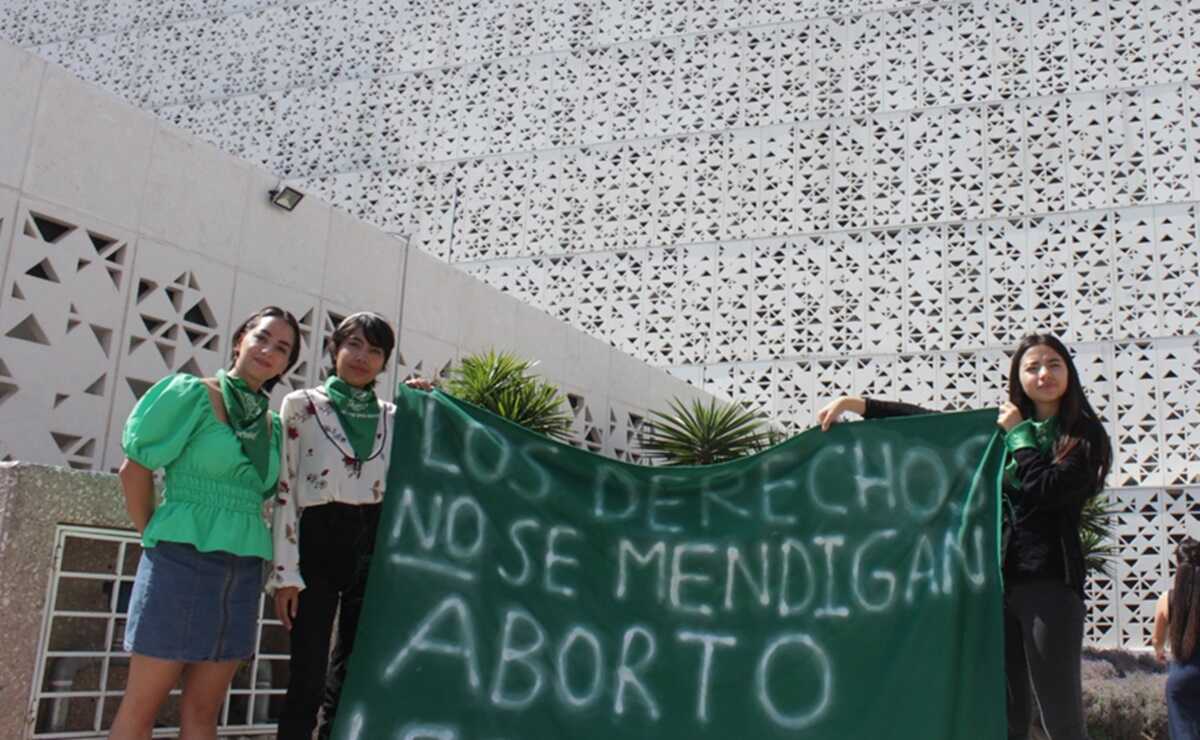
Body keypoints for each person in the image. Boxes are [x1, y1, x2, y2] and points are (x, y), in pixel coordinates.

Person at [817, 333, 1112, 740]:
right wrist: (860, 405)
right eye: (1032, 366)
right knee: (1008, 712)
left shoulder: (1083, 437)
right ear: (1018, 377)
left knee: (1058, 714)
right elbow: (934, 426)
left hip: (1050, 587)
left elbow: (1048, 490)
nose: (1044, 374)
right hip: (996, 586)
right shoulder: (1001, 430)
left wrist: (1019, 437)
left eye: (1054, 364)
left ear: (1069, 373)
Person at [109, 306, 302, 740]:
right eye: (262, 337)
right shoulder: (193, 394)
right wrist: (152, 538)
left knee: (203, 713)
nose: (269, 350)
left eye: (282, 348)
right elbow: (135, 468)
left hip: (242, 571)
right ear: (240, 340)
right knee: (142, 706)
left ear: (287, 365)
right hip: (179, 560)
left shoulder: (272, 426)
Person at [270, 312, 431, 739]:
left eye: (375, 351)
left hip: (372, 539)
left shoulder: (395, 417)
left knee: (354, 667)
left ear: (385, 361)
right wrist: (284, 573)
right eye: (354, 345)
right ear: (334, 349)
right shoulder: (301, 405)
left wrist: (424, 402)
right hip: (317, 535)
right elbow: (284, 488)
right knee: (307, 670)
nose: (362, 357)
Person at [1152, 537, 1200, 738]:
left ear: (1178, 564)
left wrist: (1160, 652)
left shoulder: (1166, 599)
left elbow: (1157, 639)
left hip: (1181, 677)